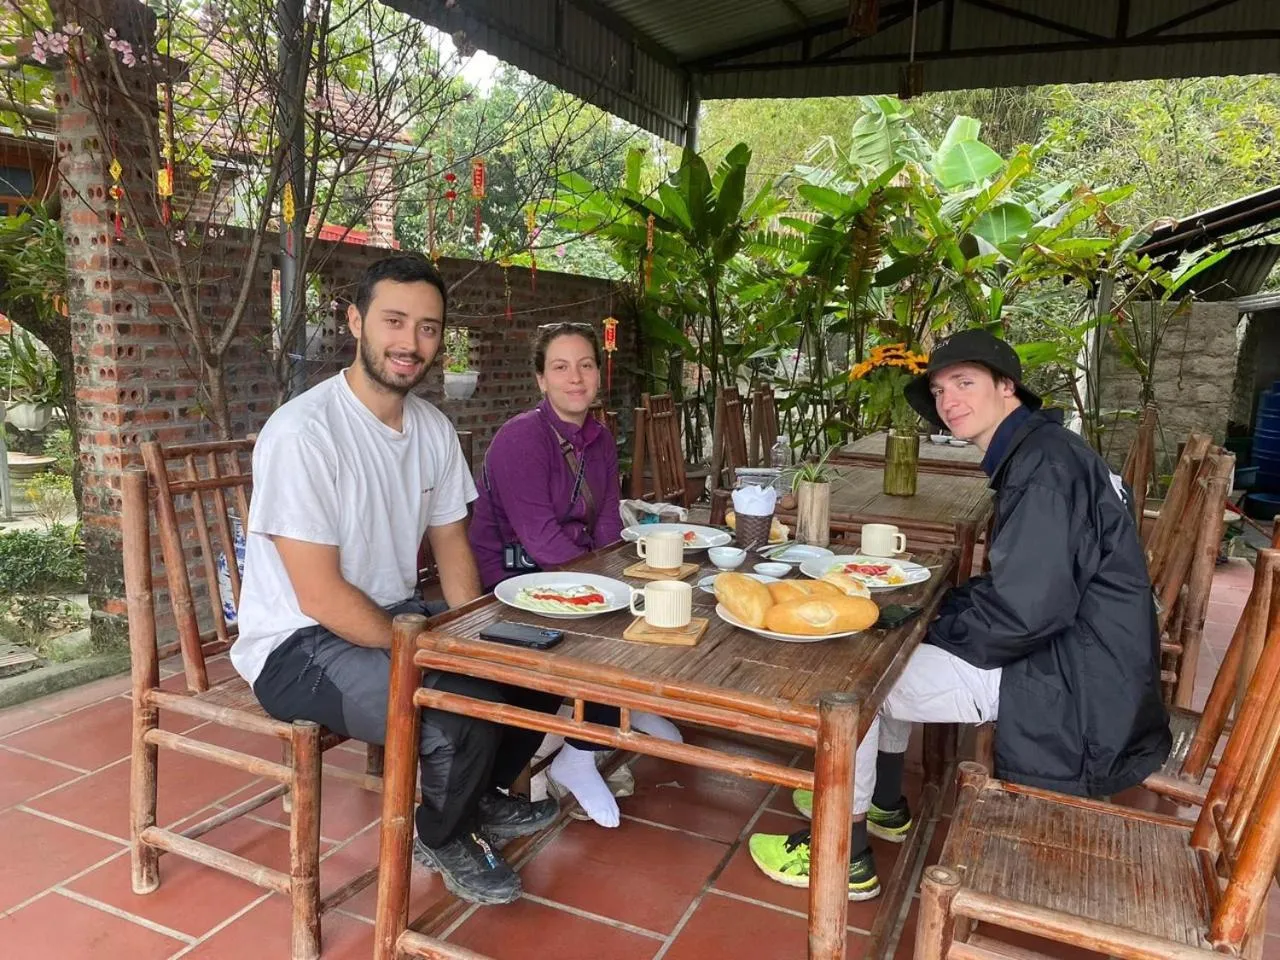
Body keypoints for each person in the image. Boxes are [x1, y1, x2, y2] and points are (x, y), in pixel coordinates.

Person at [749, 328, 1171, 900]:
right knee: (892, 648)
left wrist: (933, 623)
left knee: (852, 681)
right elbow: (1026, 589)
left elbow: (1027, 613)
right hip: (1087, 661)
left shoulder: (1043, 472)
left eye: (965, 383)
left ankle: (842, 852)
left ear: (1008, 388)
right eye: (942, 389)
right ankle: (884, 802)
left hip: (1068, 687)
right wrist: (935, 613)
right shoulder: (1042, 451)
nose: (949, 401)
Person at [232, 253, 561, 907]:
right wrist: (434, 650)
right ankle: (444, 834)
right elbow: (319, 594)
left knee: (540, 665)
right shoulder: (305, 433)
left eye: (429, 328)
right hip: (298, 645)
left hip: (394, 614)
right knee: (454, 714)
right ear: (356, 322)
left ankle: (479, 796)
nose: (411, 343)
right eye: (394, 321)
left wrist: (480, 631)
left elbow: (453, 547)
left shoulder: (433, 431)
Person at [469, 321, 683, 827]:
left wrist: (617, 572)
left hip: (569, 570)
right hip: (511, 584)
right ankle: (580, 753)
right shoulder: (522, 439)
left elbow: (608, 520)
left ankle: (621, 709)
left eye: (585, 365)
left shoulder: (600, 439)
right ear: (541, 379)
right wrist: (605, 585)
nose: (575, 377)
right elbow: (541, 539)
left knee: (654, 596)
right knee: (612, 622)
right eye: (560, 367)